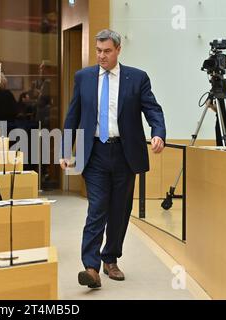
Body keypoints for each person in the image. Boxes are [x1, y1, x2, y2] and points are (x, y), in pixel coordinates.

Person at [60, 29, 166, 289]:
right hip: (94, 152)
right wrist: (65, 149)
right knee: (97, 208)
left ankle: (110, 259)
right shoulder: (83, 77)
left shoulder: (137, 78)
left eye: (107, 51)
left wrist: (158, 133)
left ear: (118, 50)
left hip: (124, 153)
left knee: (120, 211)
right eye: (98, 51)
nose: (101, 56)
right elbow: (73, 115)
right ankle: (91, 267)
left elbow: (153, 109)